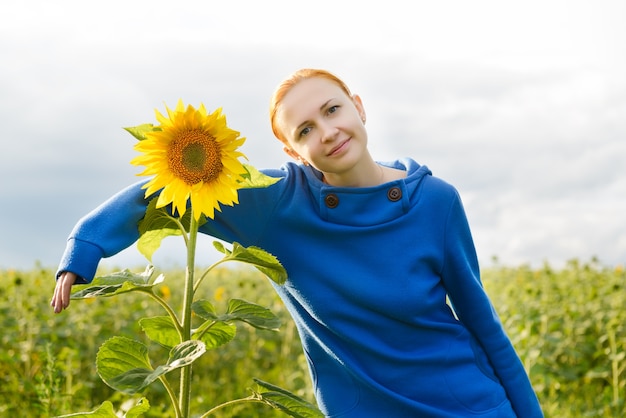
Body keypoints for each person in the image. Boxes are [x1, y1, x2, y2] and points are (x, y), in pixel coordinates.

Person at [51, 68, 543, 417]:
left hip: (469, 405)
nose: (327, 132)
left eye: (333, 109)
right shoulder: (278, 206)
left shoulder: (435, 201)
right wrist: (86, 245)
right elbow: (165, 186)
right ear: (292, 150)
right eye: (306, 129)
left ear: (359, 107)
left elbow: (483, 324)